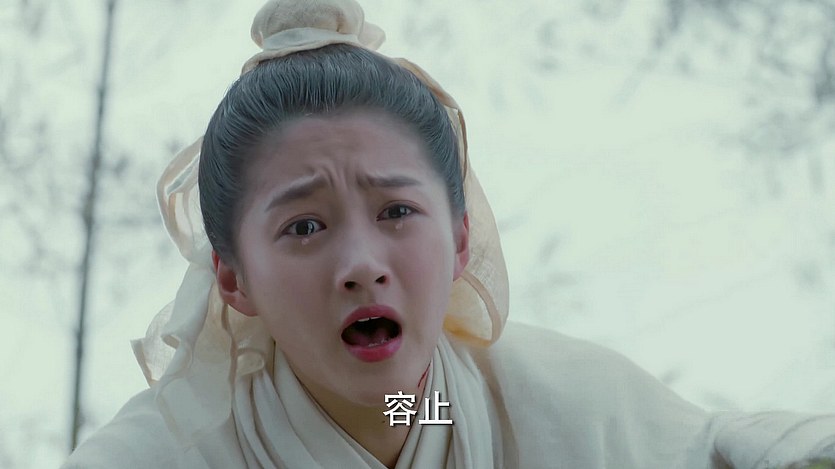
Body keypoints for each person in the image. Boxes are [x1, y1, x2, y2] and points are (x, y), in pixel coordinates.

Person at [64, 0, 835, 467]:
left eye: (397, 212)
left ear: (462, 239)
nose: (361, 264)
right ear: (232, 276)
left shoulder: (529, 400)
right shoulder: (169, 452)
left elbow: (712, 446)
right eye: (304, 225)